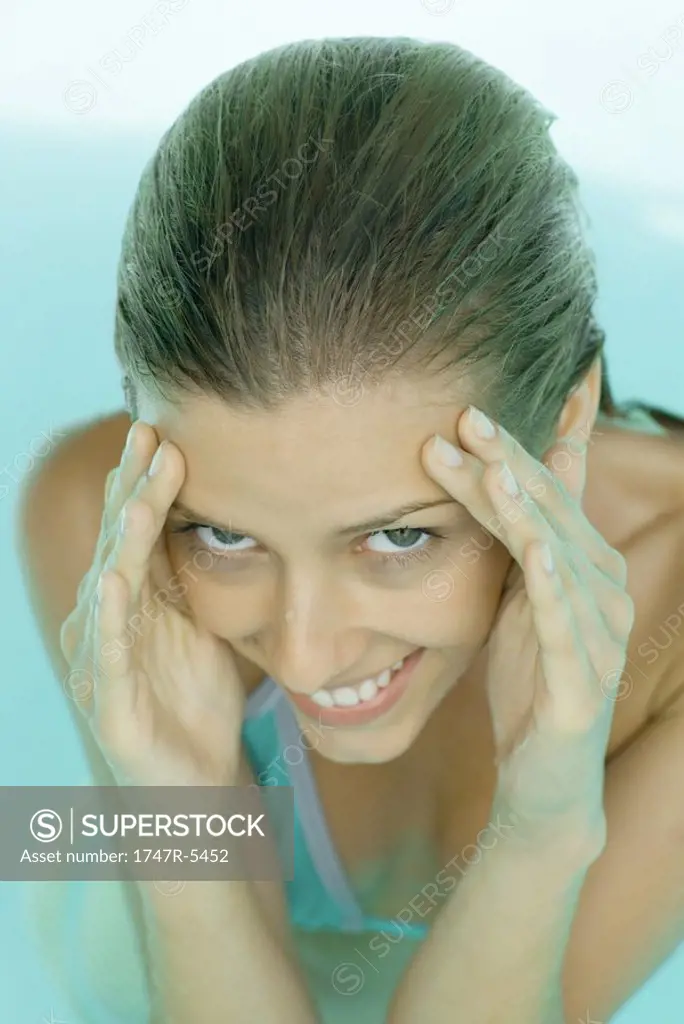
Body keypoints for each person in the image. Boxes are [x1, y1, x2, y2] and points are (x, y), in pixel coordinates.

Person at [17, 35, 684, 1024]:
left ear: (567, 421)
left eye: (401, 538)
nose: (304, 651)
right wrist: (176, 797)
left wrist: (545, 831)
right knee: (61, 893)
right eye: (226, 535)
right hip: (139, 932)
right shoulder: (97, 519)